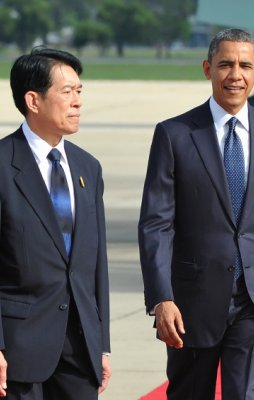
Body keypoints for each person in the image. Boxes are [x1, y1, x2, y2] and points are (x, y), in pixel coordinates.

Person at [139, 28, 254, 399]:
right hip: (191, 302)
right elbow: (155, 224)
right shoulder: (174, 134)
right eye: (225, 64)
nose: (235, 75)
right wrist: (161, 299)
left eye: (245, 65)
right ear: (207, 68)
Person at [0, 47, 111, 399]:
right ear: (33, 100)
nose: (77, 102)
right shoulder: (3, 165)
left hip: (79, 350)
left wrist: (102, 343)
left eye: (80, 92)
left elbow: (96, 266)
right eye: (67, 92)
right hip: (18, 350)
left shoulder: (87, 168)